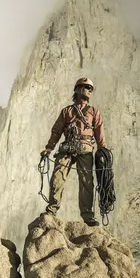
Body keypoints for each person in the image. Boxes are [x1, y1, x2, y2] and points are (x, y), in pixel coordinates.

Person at [40, 77, 109, 227]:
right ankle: (52, 209)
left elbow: (99, 133)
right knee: (58, 177)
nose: (88, 90)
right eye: (85, 87)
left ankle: (87, 215)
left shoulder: (94, 112)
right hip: (67, 147)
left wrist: (103, 149)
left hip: (85, 148)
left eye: (90, 88)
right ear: (77, 90)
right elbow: (57, 131)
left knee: (87, 182)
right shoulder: (67, 111)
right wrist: (49, 148)